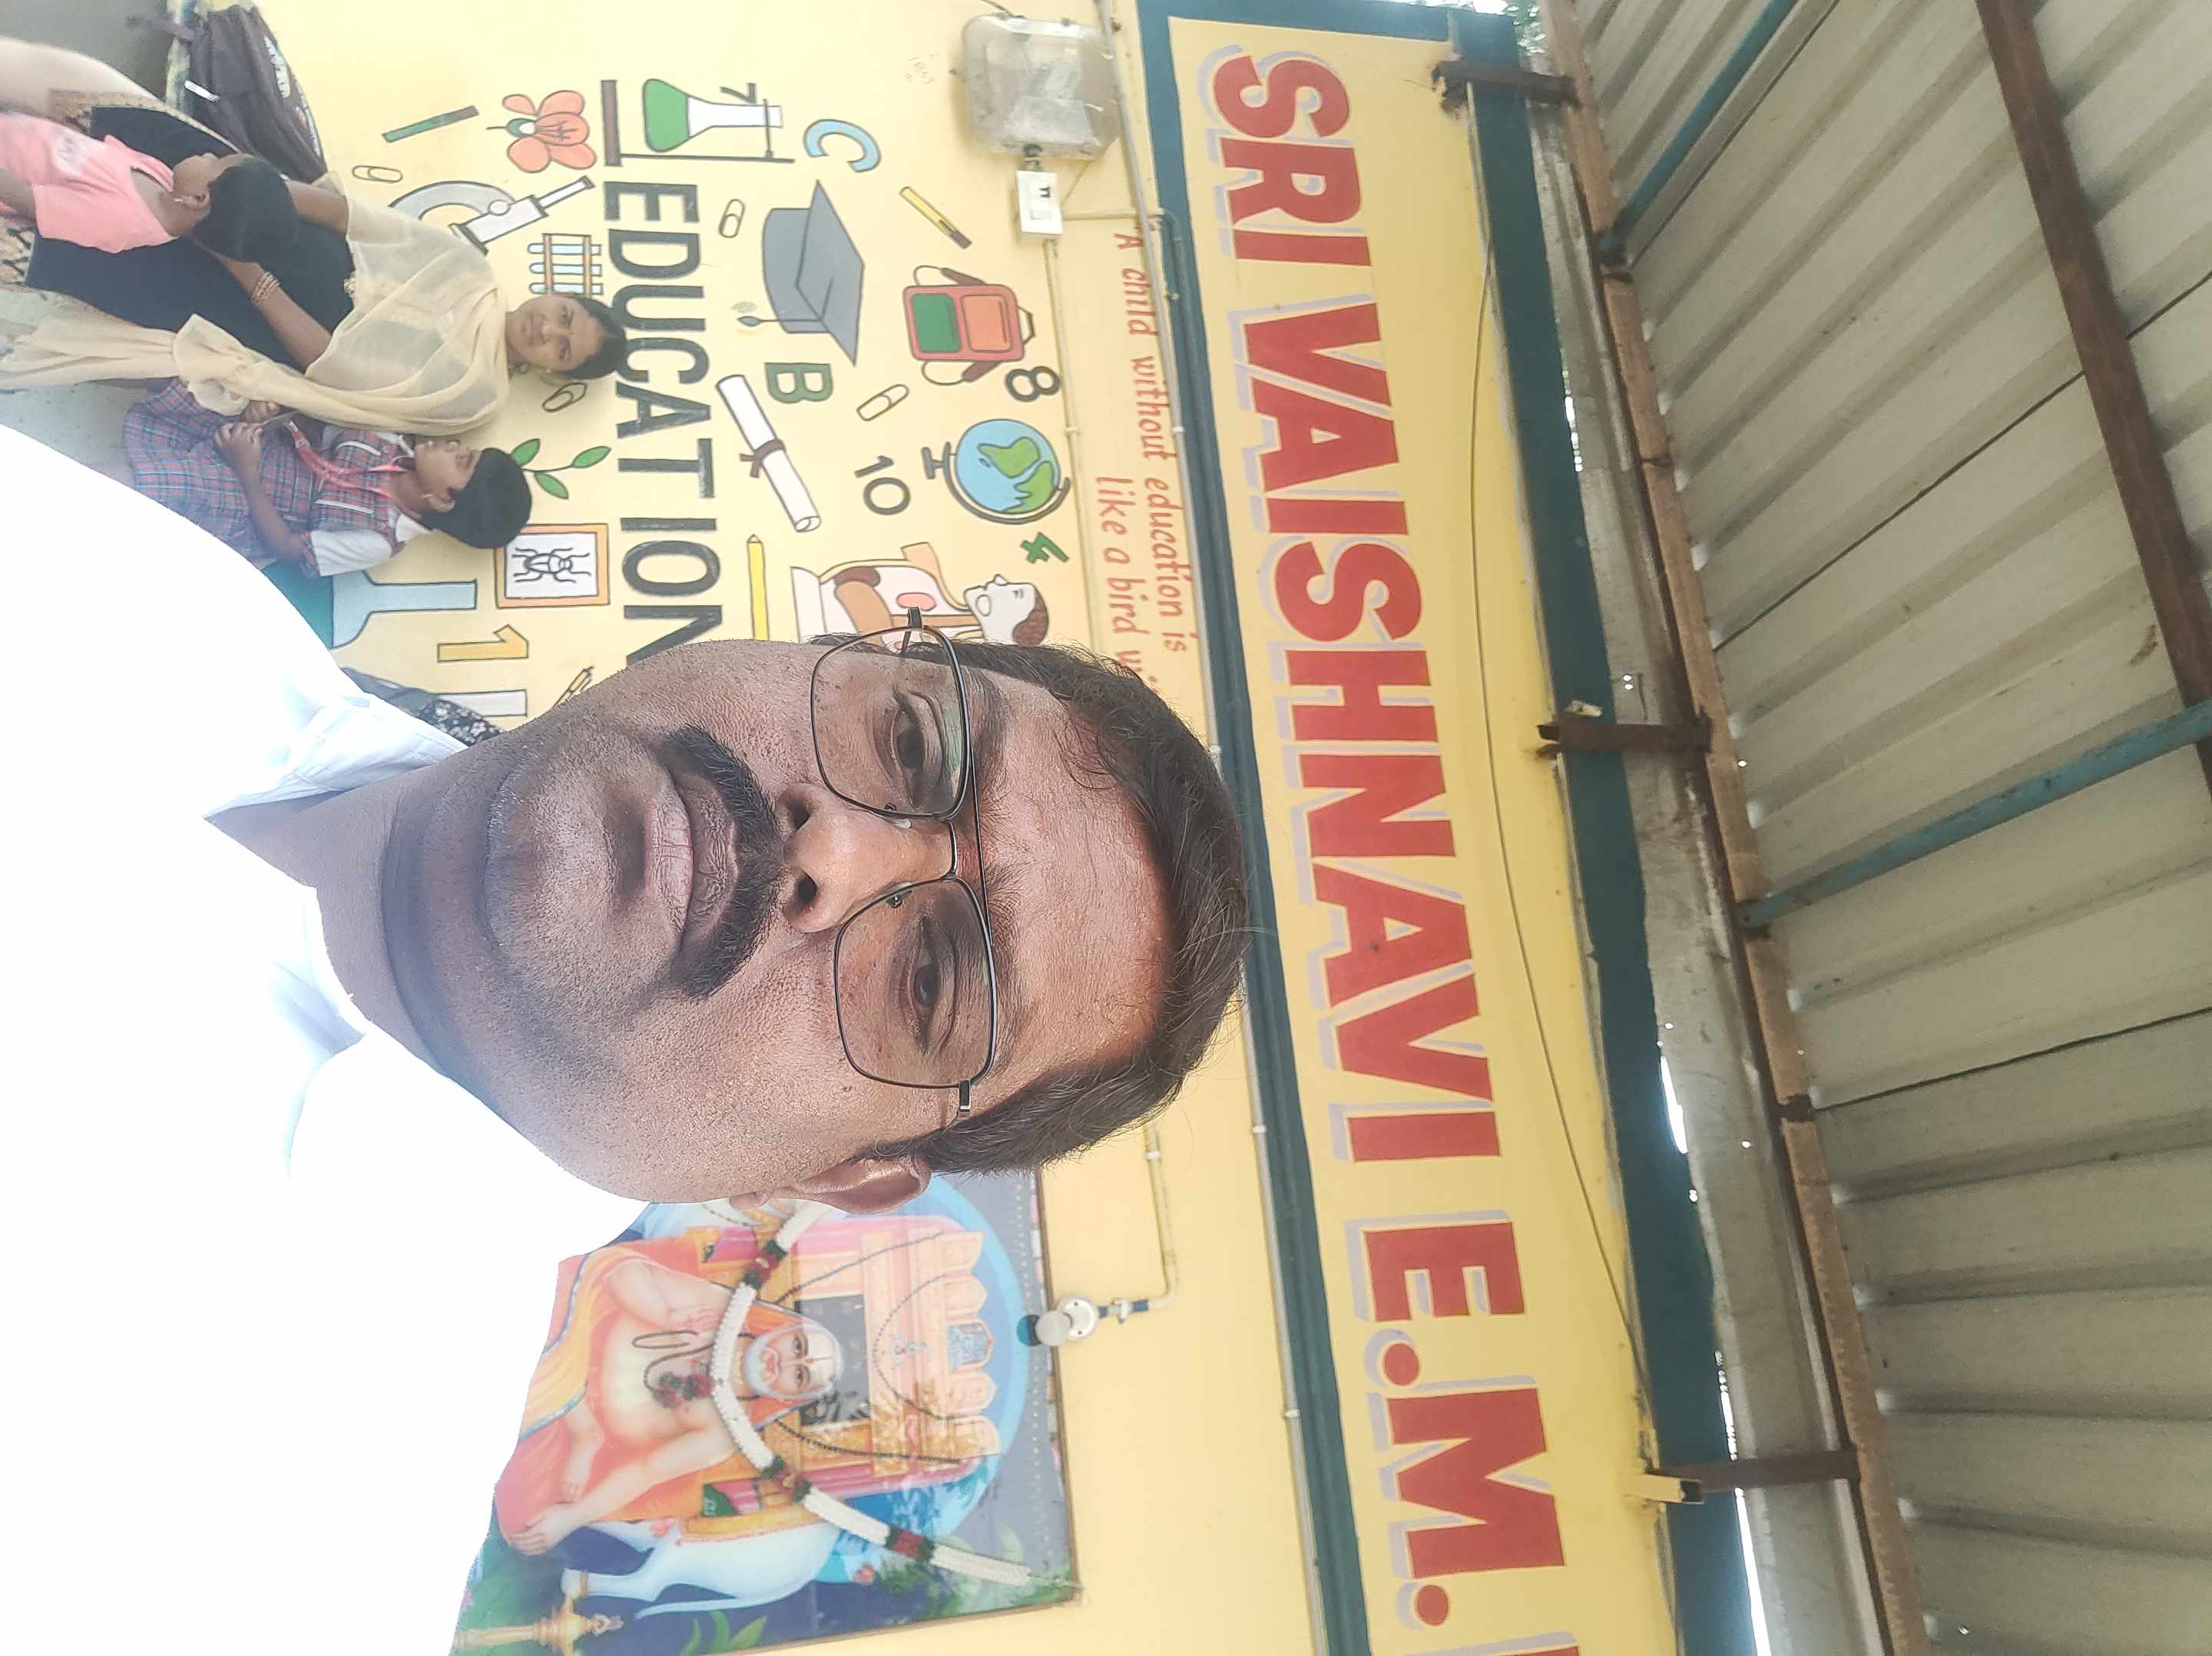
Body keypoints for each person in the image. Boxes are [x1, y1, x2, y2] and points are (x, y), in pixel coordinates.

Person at [3, 426, 1247, 1652]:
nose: (837, 846)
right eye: (912, 743)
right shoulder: (151, 592)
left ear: (838, 1173)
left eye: (932, 978)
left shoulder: (256, 1553)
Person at [0, 37, 626, 430]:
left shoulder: (473, 395)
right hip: (261, 216)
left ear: (552, 372)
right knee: (112, 119)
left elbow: (331, 369)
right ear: (558, 296)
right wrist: (245, 186)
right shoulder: (473, 272)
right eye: (564, 316)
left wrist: (241, 264)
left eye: (561, 349)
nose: (548, 330)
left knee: (82, 247)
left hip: (237, 307)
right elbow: (353, 219)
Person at [121, 379, 531, 572]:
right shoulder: (390, 441)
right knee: (194, 383)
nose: (455, 446)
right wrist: (267, 415)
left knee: (162, 483)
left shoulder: (378, 541)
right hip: (254, 445)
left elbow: (285, 547)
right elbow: (313, 430)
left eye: (463, 461)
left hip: (244, 503)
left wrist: (246, 470)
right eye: (466, 449)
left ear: (442, 500)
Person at [0, 108, 295, 258]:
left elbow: (26, 198)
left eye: (214, 162)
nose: (206, 154)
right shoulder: (163, 179)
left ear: (198, 199)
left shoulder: (120, 220)